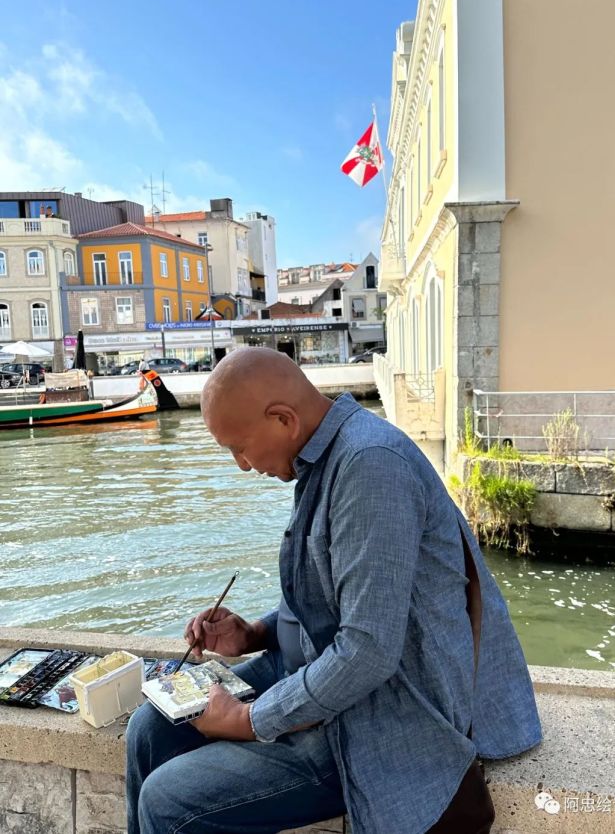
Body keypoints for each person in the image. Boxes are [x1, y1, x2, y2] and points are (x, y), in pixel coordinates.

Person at [126, 347, 542, 834]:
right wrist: (255, 633)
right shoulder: (327, 455)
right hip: (317, 668)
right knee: (149, 730)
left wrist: (250, 719)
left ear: (282, 418)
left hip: (386, 712)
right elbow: (331, 592)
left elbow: (367, 653)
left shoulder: (369, 466)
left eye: (239, 447)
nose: (241, 465)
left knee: (170, 801)